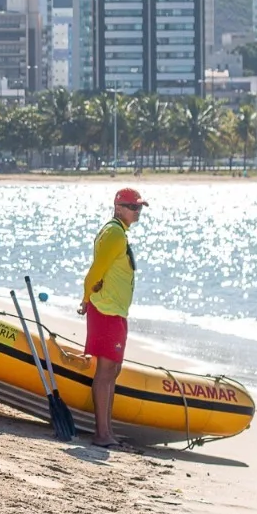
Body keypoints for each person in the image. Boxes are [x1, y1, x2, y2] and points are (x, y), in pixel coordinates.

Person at [80, 188, 146, 449]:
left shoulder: (120, 233)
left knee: (113, 370)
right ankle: (102, 433)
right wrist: (86, 299)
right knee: (106, 371)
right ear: (119, 208)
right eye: (133, 207)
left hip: (115, 311)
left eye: (139, 207)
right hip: (106, 310)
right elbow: (95, 271)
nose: (137, 211)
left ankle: (107, 430)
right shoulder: (114, 233)